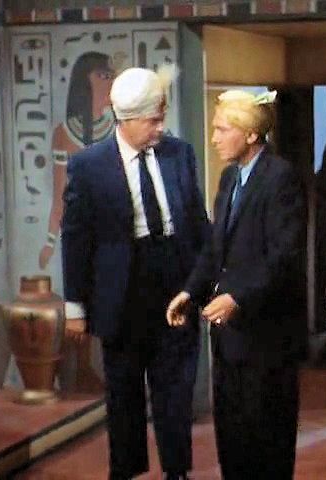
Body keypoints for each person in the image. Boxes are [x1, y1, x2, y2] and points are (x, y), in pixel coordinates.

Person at [62, 66, 209, 480]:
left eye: (162, 118)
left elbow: (197, 222)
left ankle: (177, 471)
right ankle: (126, 472)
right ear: (124, 120)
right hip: (121, 293)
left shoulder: (179, 153)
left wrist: (206, 281)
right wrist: (75, 306)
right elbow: (75, 239)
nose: (160, 128)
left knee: (175, 390)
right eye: (152, 121)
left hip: (175, 283)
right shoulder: (88, 166)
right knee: (123, 392)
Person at [167, 89, 307, 480]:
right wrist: (190, 292)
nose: (214, 138)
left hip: (267, 335)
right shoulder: (230, 177)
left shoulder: (280, 178)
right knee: (233, 436)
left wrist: (237, 298)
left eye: (222, 129)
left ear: (250, 134)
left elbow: (284, 256)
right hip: (230, 337)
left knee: (267, 439)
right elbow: (216, 249)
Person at [40, 51, 116, 269]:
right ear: (85, 81)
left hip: (115, 234)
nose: (111, 83)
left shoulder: (119, 130)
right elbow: (60, 197)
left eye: (111, 76)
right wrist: (50, 242)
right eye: (103, 76)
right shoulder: (63, 134)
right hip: (79, 235)